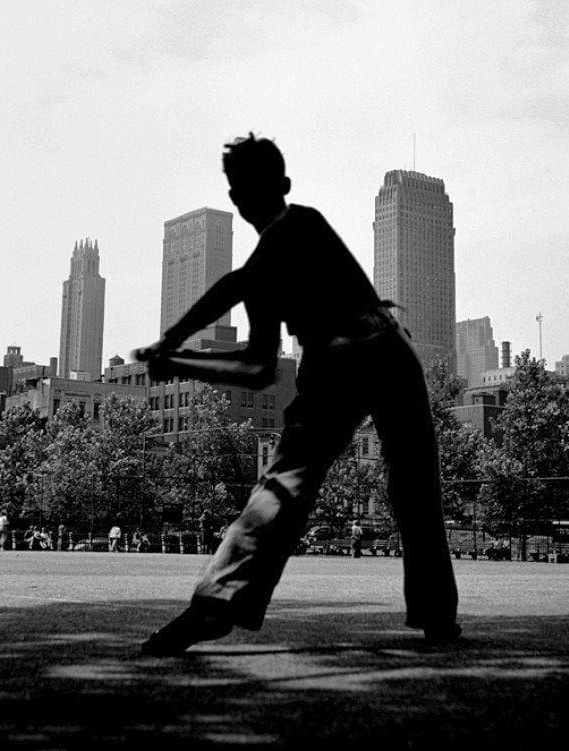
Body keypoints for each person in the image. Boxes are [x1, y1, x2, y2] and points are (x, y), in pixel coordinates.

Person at [135, 134, 458, 656]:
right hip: (376, 351)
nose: (242, 200)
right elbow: (258, 366)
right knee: (402, 487)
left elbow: (236, 285)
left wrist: (172, 344)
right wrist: (178, 361)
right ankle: (436, 616)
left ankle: (217, 603)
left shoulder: (300, 223)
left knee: (304, 483)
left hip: (357, 348)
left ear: (281, 187)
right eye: (237, 190)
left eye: (247, 188)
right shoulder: (266, 268)